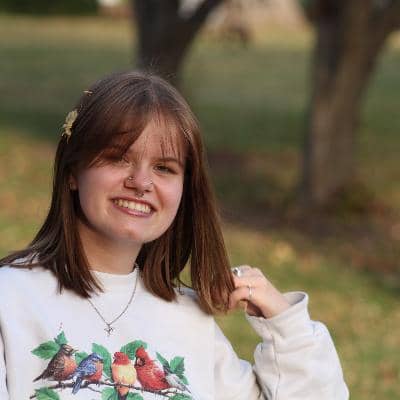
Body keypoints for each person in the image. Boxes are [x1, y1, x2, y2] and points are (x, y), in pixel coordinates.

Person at [0, 71, 349, 400]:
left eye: (164, 167)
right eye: (119, 158)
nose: (141, 182)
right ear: (73, 171)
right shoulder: (11, 299)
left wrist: (284, 324)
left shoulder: (189, 320)